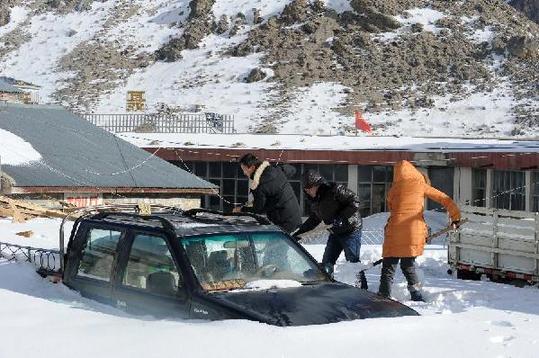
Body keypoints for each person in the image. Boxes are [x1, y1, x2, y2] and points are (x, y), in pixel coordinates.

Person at [379, 160, 461, 302]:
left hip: (394, 230)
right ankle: (416, 295)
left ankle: (383, 295)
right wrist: (456, 217)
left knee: (388, 268)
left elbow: (392, 207)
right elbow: (445, 199)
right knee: (408, 265)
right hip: (412, 230)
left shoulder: (393, 189)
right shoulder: (421, 185)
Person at [293, 170, 368, 289]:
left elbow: (355, 201)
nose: (307, 190)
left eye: (309, 187)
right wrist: (299, 234)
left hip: (350, 230)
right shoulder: (315, 201)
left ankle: (363, 289)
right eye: (305, 188)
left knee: (352, 262)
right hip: (335, 232)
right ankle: (326, 288)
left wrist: (341, 217)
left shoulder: (335, 190)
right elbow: (314, 219)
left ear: (317, 184)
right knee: (327, 262)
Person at [233, 153, 302, 233]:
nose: (244, 173)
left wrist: (241, 209)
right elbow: (292, 169)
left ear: (252, 167)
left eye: (244, 169)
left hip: (284, 223)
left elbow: (258, 209)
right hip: (295, 217)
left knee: (272, 245)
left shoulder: (260, 185)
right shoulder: (276, 170)